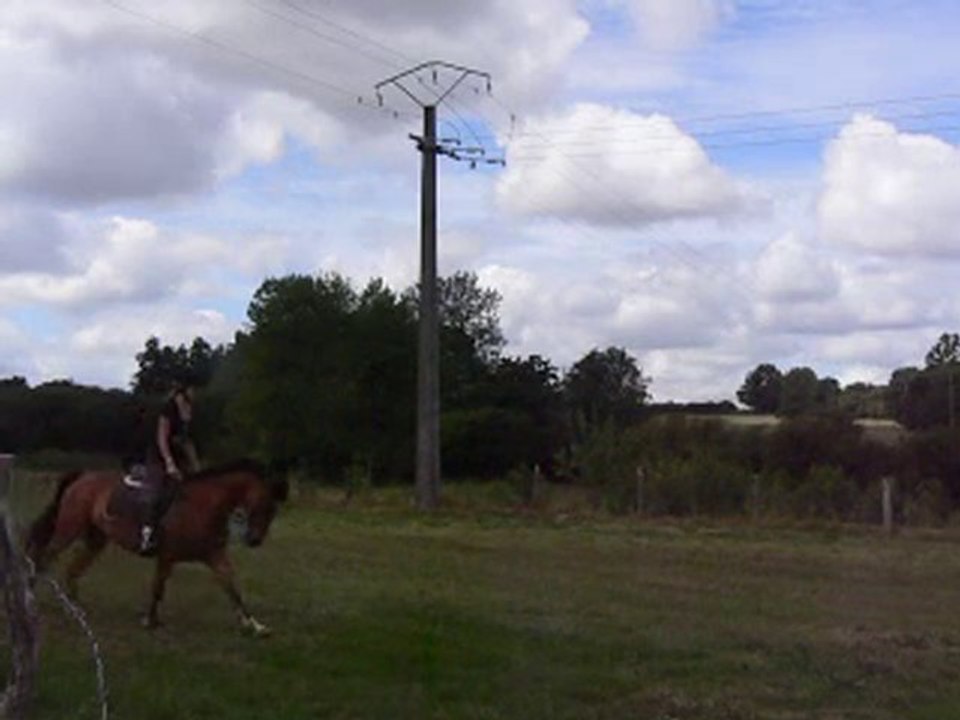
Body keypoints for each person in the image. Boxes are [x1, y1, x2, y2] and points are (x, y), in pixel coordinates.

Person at [138, 383, 201, 555]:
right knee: (158, 492)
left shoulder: (189, 410)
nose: (196, 393)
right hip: (159, 456)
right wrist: (169, 464)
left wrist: (196, 465)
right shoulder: (168, 408)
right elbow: (162, 438)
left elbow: (187, 441)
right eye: (194, 389)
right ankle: (147, 535)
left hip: (179, 456)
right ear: (185, 390)